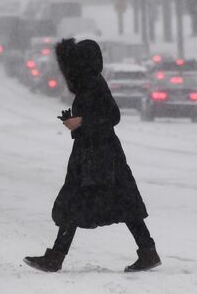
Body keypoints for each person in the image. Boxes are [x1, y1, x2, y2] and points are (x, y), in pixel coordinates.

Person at [24, 38, 161, 273]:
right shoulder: (91, 83)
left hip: (100, 157)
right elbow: (99, 116)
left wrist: (82, 122)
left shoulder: (94, 83)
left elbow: (112, 116)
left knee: (78, 204)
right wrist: (76, 123)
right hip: (98, 156)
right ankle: (148, 252)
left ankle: (56, 257)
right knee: (122, 204)